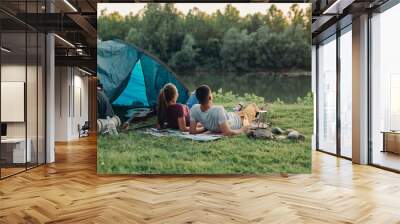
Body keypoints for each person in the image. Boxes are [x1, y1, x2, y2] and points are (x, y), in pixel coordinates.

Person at [189, 85, 258, 136]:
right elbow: (227, 132)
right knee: (253, 106)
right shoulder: (218, 109)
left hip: (231, 115)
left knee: (235, 111)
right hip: (240, 119)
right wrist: (243, 129)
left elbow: (192, 131)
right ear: (210, 97)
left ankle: (240, 107)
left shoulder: (194, 108)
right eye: (211, 94)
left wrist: (206, 128)